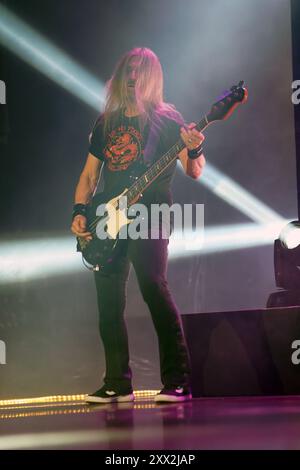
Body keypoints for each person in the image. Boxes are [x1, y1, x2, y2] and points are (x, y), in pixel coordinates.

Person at [71, 47, 205, 403]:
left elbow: (193, 172)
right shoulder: (106, 122)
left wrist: (192, 150)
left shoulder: (167, 120)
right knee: (108, 301)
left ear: (152, 78)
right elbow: (89, 175)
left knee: (153, 287)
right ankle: (117, 382)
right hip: (109, 218)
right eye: (128, 69)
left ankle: (178, 381)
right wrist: (79, 212)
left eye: (140, 71)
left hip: (150, 214)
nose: (133, 76)